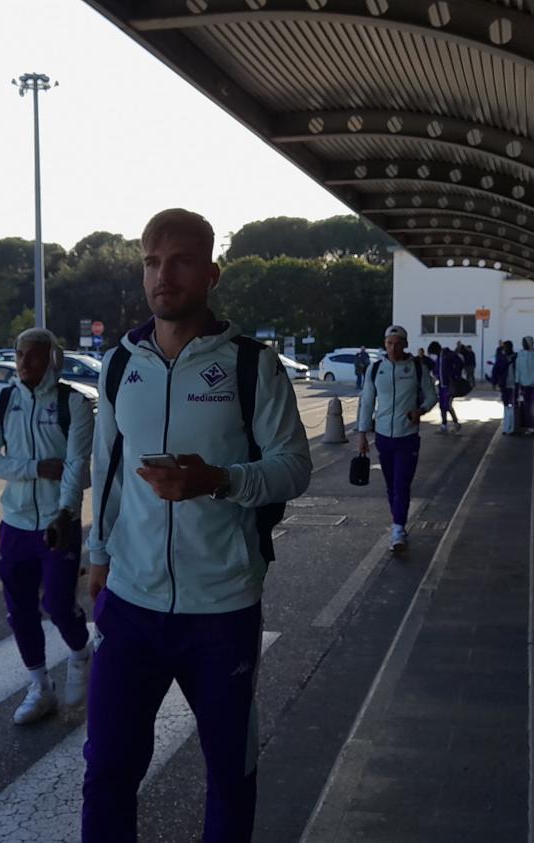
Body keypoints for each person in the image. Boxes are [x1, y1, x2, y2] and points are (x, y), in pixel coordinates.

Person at [83, 208, 312, 842]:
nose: (164, 275)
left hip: (221, 608)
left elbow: (294, 467)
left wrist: (219, 480)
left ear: (211, 273)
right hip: (130, 603)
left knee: (231, 776)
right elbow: (106, 468)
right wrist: (98, 555)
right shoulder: (119, 363)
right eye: (152, 262)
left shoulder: (251, 364)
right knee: (107, 772)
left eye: (181, 261)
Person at [0, 327, 96, 725]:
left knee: (59, 604)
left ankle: (80, 653)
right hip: (14, 523)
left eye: (33, 355)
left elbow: (76, 464)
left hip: (57, 521)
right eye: (19, 354)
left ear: (52, 359)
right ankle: (40, 686)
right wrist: (34, 468)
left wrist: (65, 512)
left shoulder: (72, 403)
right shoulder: (3, 401)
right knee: (20, 610)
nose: (24, 362)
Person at [356, 325, 437, 553]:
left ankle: (398, 529)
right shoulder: (375, 369)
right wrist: (362, 434)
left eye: (398, 344)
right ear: (385, 344)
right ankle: (398, 522)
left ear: (406, 344)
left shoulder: (417, 368)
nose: (393, 348)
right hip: (383, 437)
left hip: (407, 436)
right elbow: (367, 402)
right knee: (391, 485)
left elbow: (431, 396)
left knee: (402, 484)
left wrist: (420, 411)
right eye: (389, 343)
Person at [426, 341, 462, 433]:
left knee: (448, 406)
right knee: (442, 406)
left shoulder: (447, 355)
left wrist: (455, 376)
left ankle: (456, 423)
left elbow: (459, 363)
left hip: (449, 385)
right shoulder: (439, 357)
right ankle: (444, 425)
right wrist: (436, 374)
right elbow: (437, 369)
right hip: (442, 386)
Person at [512, 336, 534, 435]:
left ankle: (530, 426)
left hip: (527, 385)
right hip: (533, 384)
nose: (523, 344)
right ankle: (530, 426)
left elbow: (518, 370)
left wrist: (518, 382)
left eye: (524, 342)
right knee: (531, 406)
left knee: (529, 406)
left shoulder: (522, 355)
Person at [490, 340, 516, 435]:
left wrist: (494, 382)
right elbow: (495, 371)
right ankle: (509, 427)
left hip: (509, 384)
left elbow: (495, 371)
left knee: (508, 406)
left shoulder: (502, 358)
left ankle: (508, 427)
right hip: (509, 384)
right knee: (509, 406)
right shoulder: (514, 357)